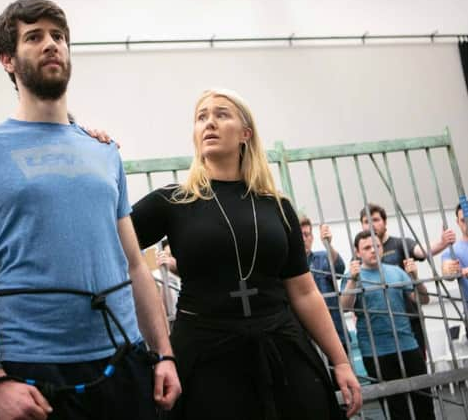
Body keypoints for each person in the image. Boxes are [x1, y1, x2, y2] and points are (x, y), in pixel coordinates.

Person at [0, 0, 180, 420]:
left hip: (124, 360)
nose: (51, 44)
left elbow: (135, 266)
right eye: (34, 37)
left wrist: (164, 354)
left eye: (58, 37)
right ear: (7, 59)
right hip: (34, 375)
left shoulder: (102, 150)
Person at [131, 88, 361, 419]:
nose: (209, 123)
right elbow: (110, 245)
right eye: (201, 117)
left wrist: (340, 361)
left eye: (221, 114)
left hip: (282, 349)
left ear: (245, 134)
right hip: (205, 357)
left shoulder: (277, 206)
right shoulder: (173, 201)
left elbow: (304, 290)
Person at [341, 230, 433, 420]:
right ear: (357, 253)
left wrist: (416, 278)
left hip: (408, 345)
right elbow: (345, 307)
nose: (374, 250)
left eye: (377, 246)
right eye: (367, 248)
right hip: (376, 352)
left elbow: (423, 300)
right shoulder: (352, 276)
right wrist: (352, 281)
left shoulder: (396, 272)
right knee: (396, 410)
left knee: (424, 404)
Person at [360, 203, 455, 355]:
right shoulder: (360, 254)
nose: (371, 225)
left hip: (410, 319)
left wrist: (442, 242)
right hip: (380, 326)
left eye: (375, 220)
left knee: (418, 366)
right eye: (366, 221)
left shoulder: (399, 243)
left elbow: (421, 251)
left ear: (385, 222)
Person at [300, 216, 347, 348]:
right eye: (299, 235)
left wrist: (328, 245)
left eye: (306, 234)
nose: (303, 239)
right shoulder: (290, 266)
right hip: (307, 337)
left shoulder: (323, 257)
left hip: (335, 331)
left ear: (312, 237)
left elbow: (338, 270)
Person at [441, 203, 468, 322]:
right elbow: (447, 272)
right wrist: (449, 270)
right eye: (463, 220)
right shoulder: (453, 251)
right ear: (457, 222)